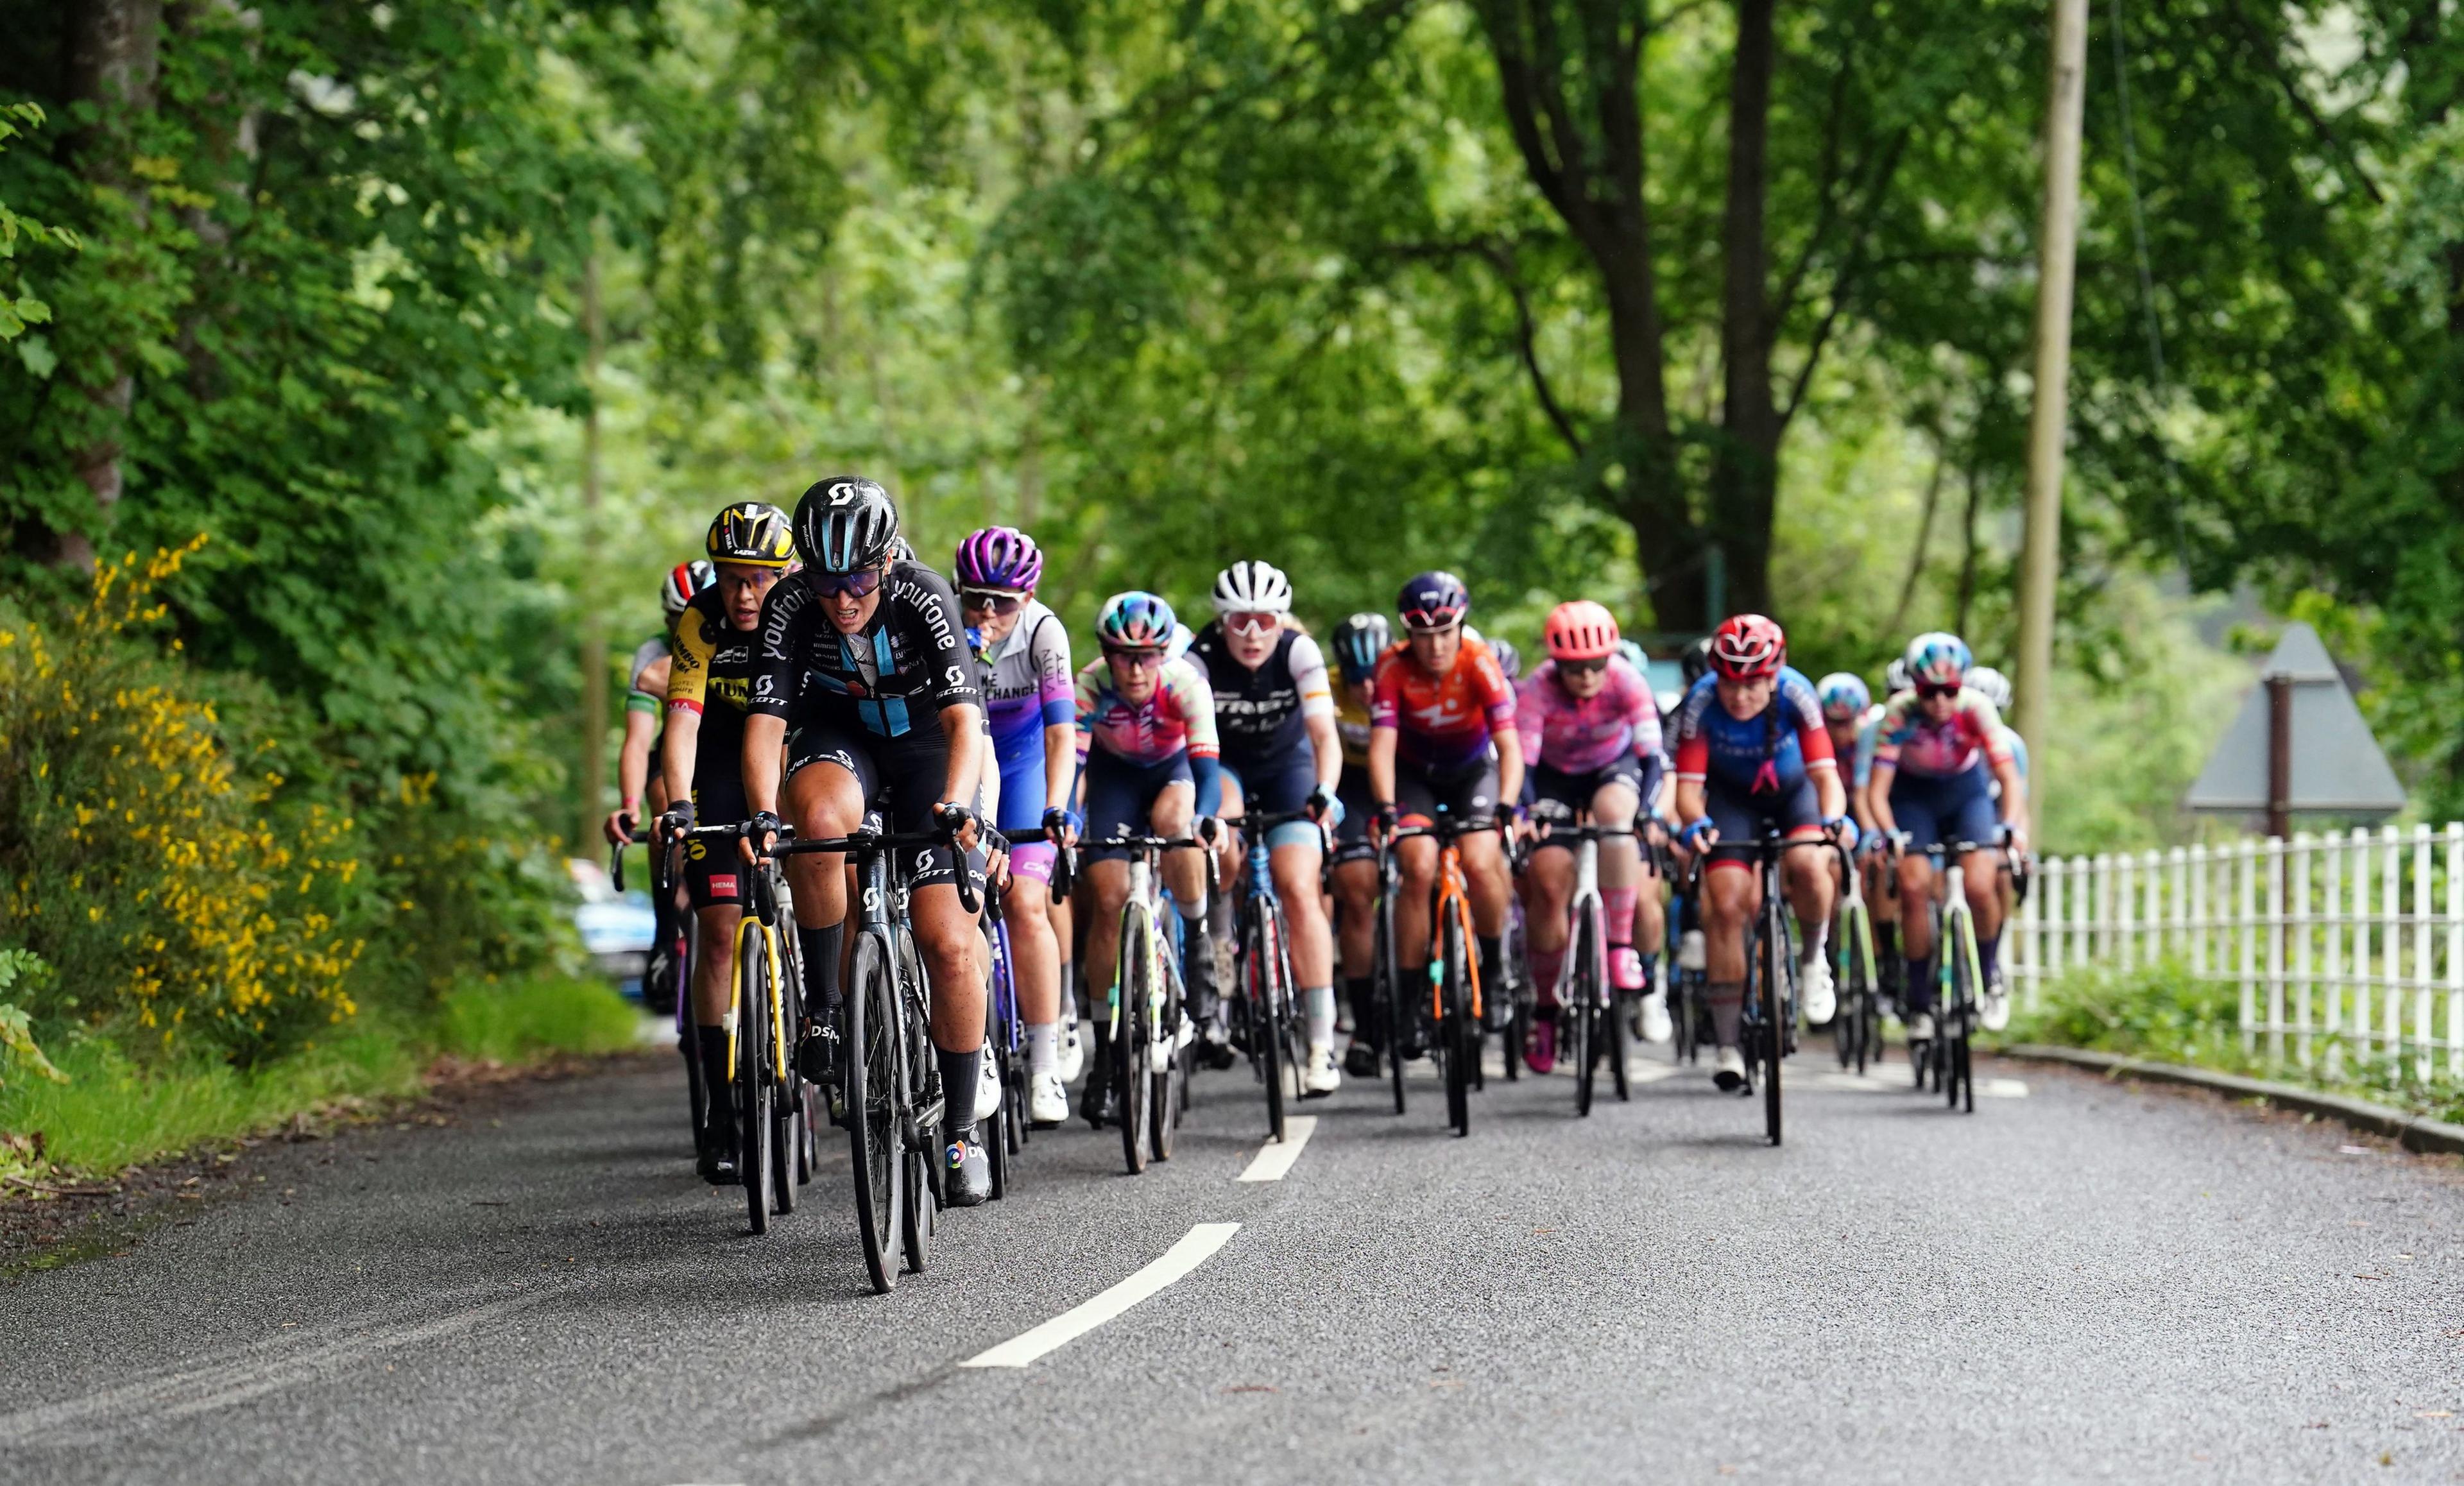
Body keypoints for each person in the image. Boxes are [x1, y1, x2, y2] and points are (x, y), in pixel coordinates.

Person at [739, 477, 996, 1207]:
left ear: (885, 563)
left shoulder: (923, 595)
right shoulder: (791, 607)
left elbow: (963, 725)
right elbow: (764, 726)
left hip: (924, 747)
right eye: (824, 579)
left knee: (947, 942)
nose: (843, 599)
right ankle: (824, 1006)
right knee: (816, 824)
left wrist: (955, 802)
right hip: (840, 739)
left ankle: (959, 1130)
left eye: (857, 579)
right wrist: (763, 813)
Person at [657, 507, 794, 1183]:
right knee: (716, 932)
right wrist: (680, 803)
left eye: (759, 581)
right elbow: (680, 723)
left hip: (794, 754)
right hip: (719, 760)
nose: (744, 595)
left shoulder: (804, 610)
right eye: (734, 580)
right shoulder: (700, 620)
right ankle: (721, 1110)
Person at [1668, 614, 1853, 1093]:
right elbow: (1688, 789)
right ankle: (1728, 1044)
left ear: (1776, 673)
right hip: (1732, 802)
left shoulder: (1797, 693)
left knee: (1810, 863)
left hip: (1794, 796)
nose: (1741, 695)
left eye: (1753, 683)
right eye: (1731, 682)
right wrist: (1697, 823)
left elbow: (1826, 776)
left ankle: (1814, 963)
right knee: (1726, 903)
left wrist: (1833, 818)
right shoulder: (1702, 701)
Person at [1190, 561, 1346, 1093]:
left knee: (1300, 885)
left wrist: (1326, 792)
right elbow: (1193, 744)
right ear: (1220, 623)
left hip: (1289, 768)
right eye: (1238, 622)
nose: (1253, 634)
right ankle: (1219, 961)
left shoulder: (1299, 651)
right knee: (1223, 852)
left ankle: (1322, 1043)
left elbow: (1325, 736)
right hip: (1224, 767)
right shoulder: (1200, 658)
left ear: (1282, 621)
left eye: (1264, 620)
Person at [1074, 591, 1223, 1125]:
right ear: (1106, 655)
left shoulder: (1186, 683)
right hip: (1114, 781)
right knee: (1109, 901)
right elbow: (1073, 767)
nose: (1136, 670)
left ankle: (1199, 941)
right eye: (1123, 656)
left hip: (1171, 773)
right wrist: (1067, 818)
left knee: (1176, 825)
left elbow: (1208, 778)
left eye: (1147, 657)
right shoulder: (1089, 686)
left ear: (1164, 654)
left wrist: (1207, 820)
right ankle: (1106, 1059)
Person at [954, 526, 1079, 1127]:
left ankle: (1045, 1062)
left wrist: (1057, 807)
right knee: (965, 905)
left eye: (1003, 601)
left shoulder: (1044, 631)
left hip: (1028, 762)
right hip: (969, 759)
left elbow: (1060, 732)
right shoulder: (947, 621)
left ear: (1026, 599)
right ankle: (974, 1047)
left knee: (1027, 903)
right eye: (975, 597)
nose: (987, 612)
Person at [1367, 572, 1522, 1048]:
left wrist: (1507, 806)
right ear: (1408, 634)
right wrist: (1387, 808)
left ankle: (1495, 972)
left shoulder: (1480, 662)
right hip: (1415, 773)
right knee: (1417, 867)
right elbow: (1381, 747)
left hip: (1472, 772)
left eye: (1444, 633)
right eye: (1423, 635)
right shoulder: (1392, 667)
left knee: (1480, 859)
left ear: (1461, 626)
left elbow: (1510, 747)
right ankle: (1412, 1002)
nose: (1435, 646)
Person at [1518, 601, 1670, 1070]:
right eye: (1574, 669)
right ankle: (1545, 1010)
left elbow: (1652, 758)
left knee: (1616, 818)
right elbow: (1521, 761)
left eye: (1596, 666)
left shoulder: (1627, 680)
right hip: (1554, 778)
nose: (1587, 677)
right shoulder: (1539, 688)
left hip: (1613, 767)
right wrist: (1527, 809)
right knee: (1546, 883)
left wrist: (1647, 812)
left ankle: (1621, 949)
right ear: (1556, 664)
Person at [1866, 633, 2030, 1038]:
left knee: (1980, 883)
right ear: (1914, 688)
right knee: (1914, 886)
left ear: (1962, 686)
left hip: (1965, 794)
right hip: (1913, 798)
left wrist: (2009, 827)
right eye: (1929, 692)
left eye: (1949, 691)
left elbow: (2009, 779)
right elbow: (1877, 791)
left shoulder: (1977, 709)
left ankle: (1990, 976)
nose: (1940, 702)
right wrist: (1888, 833)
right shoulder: (1899, 713)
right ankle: (1919, 1000)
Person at [1327, 612, 1390, 1075]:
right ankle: (1366, 1024)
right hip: (1349, 785)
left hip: (1403, 779)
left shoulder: (1406, 681)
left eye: (1374, 680)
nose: (1367, 691)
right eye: (1356, 681)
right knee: (1355, 888)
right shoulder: (1325, 688)